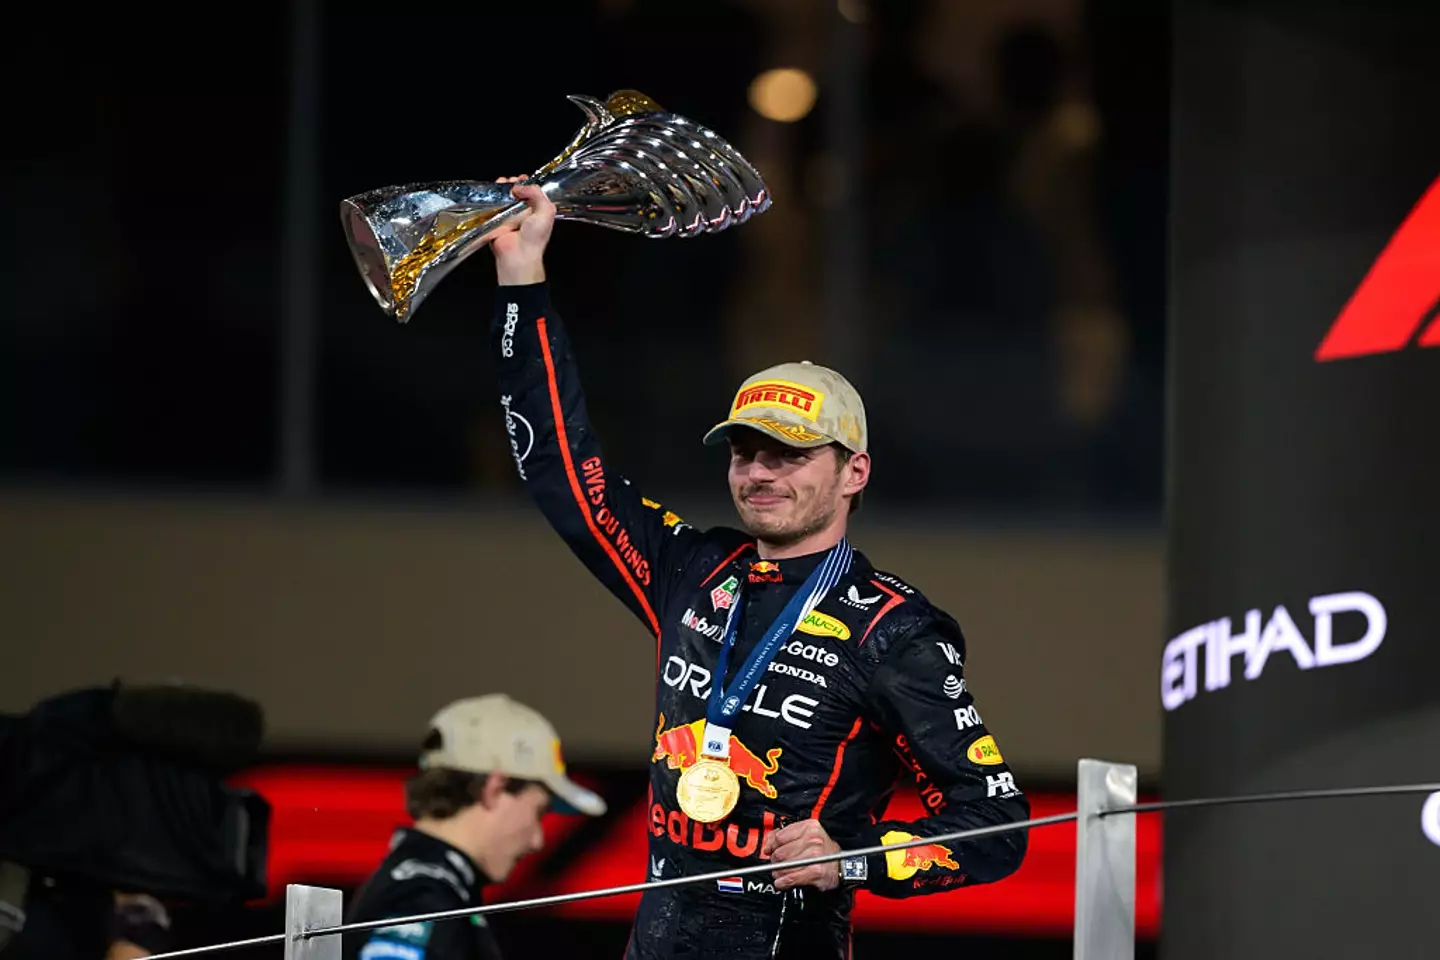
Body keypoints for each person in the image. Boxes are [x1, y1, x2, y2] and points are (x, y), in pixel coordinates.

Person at [483, 181, 1030, 959]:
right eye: (744, 451)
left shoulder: (895, 630)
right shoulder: (694, 570)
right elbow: (563, 472)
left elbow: (998, 826)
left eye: (789, 454)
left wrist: (858, 857)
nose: (759, 473)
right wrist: (521, 278)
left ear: (854, 472)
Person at [342, 695, 606, 960]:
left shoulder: (427, 888)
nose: (537, 841)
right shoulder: (423, 900)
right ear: (494, 790)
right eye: (539, 811)